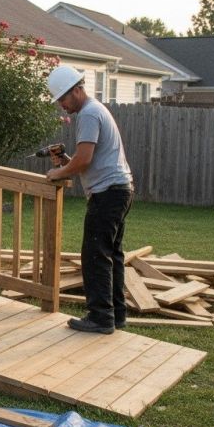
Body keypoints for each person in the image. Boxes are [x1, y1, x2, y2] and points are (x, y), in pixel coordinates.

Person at [45, 65, 133, 335]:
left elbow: (85, 159)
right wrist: (68, 163)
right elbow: (84, 162)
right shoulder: (95, 110)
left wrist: (56, 172)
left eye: (63, 98)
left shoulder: (89, 114)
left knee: (95, 255)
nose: (62, 105)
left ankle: (100, 317)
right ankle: (116, 315)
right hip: (120, 190)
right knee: (111, 255)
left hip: (108, 194)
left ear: (77, 90)